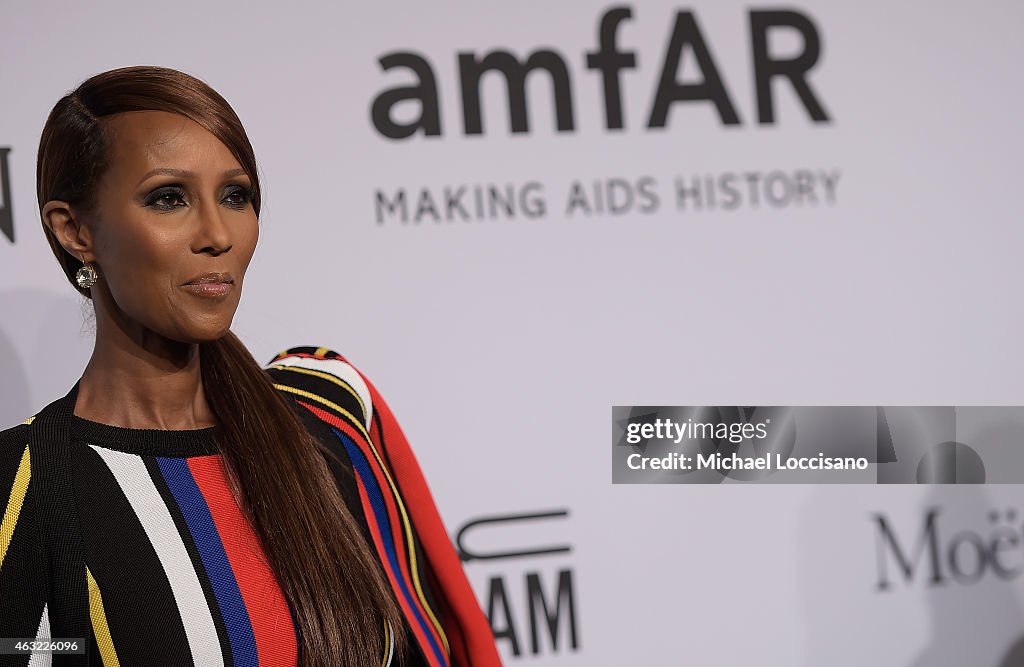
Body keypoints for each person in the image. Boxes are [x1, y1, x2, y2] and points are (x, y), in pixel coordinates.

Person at [0, 66, 502, 667]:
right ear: (74, 230)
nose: (218, 234)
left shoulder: (333, 413)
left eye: (236, 196)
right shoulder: (22, 488)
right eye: (168, 198)